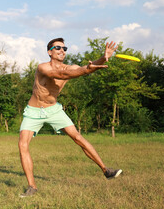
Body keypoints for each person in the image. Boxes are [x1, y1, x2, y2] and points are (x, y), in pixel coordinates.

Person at [18, 37, 122, 198]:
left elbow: (82, 68)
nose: (62, 51)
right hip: (34, 111)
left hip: (54, 110)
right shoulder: (42, 67)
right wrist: (86, 69)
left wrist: (103, 58)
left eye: (64, 49)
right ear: (49, 52)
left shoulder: (71, 67)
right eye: (58, 48)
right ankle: (32, 186)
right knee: (23, 144)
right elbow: (61, 74)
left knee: (77, 137)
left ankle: (106, 170)